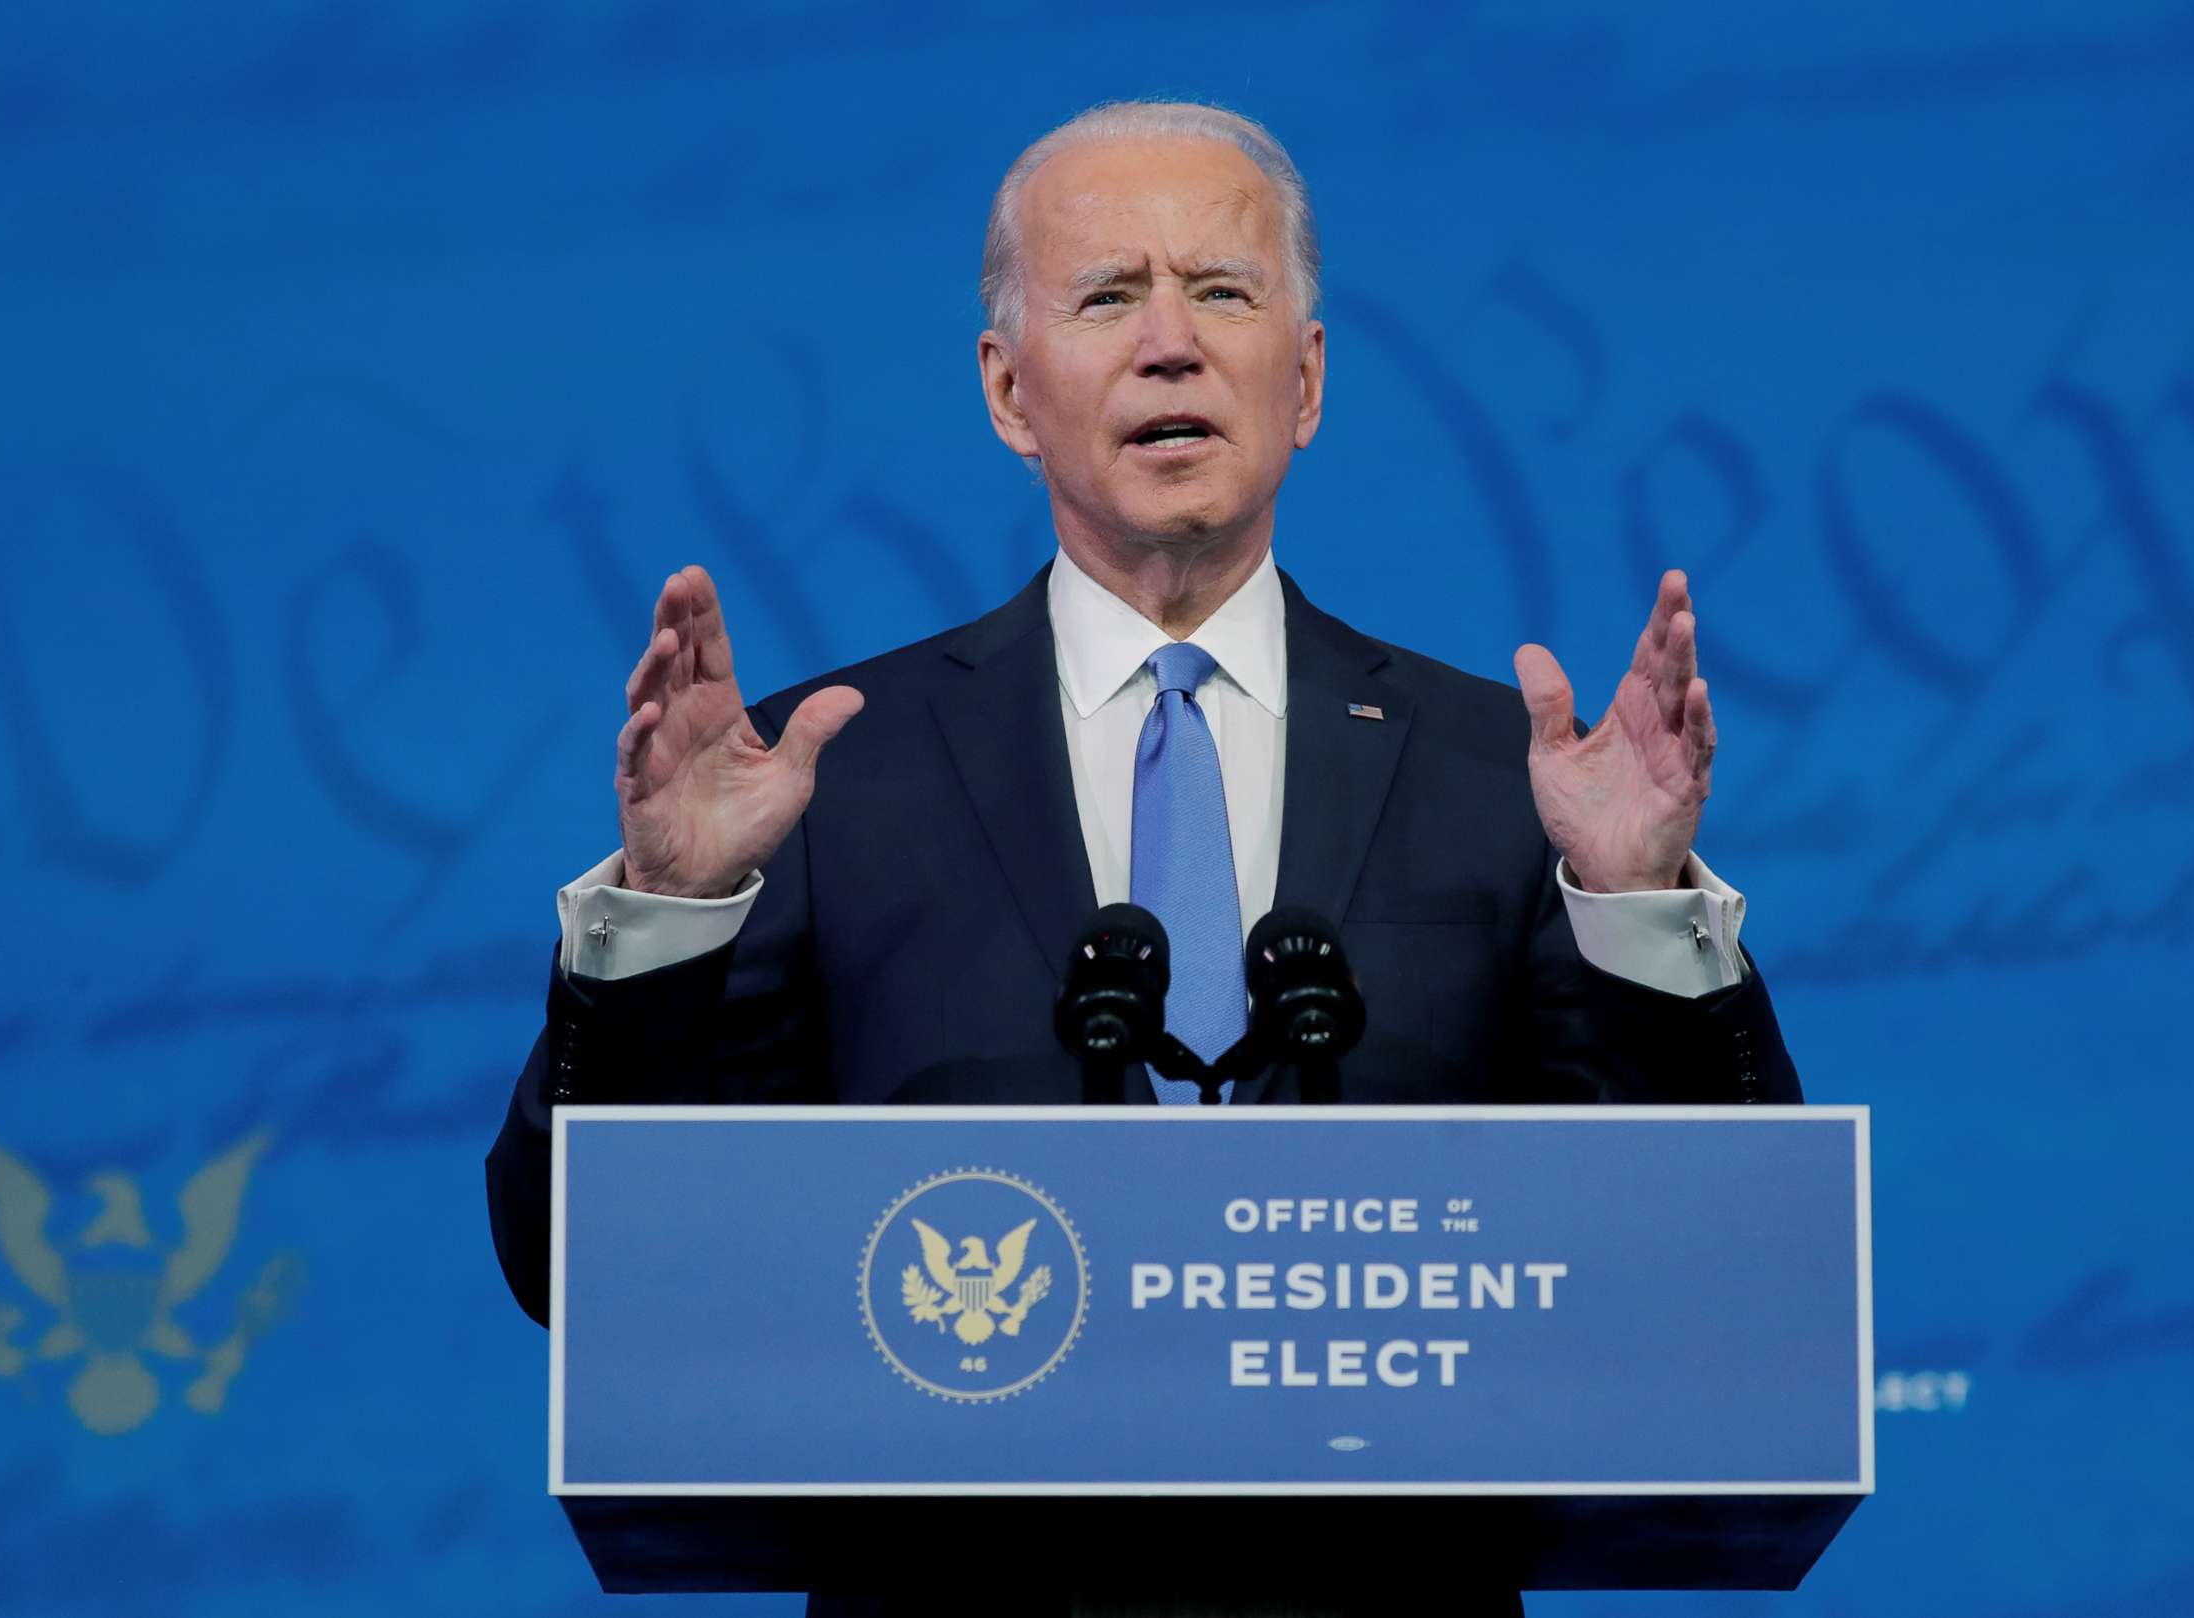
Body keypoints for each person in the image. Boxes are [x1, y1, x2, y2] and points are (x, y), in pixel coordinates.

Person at [486, 101, 1802, 1617]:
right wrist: (669, 911)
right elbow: (573, 1268)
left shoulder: (1508, 773)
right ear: (1007, 390)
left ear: (1304, 382)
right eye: (1109, 295)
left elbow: (1721, 1275)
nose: (1170, 343)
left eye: (1224, 293)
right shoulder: (821, 775)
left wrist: (1639, 906)